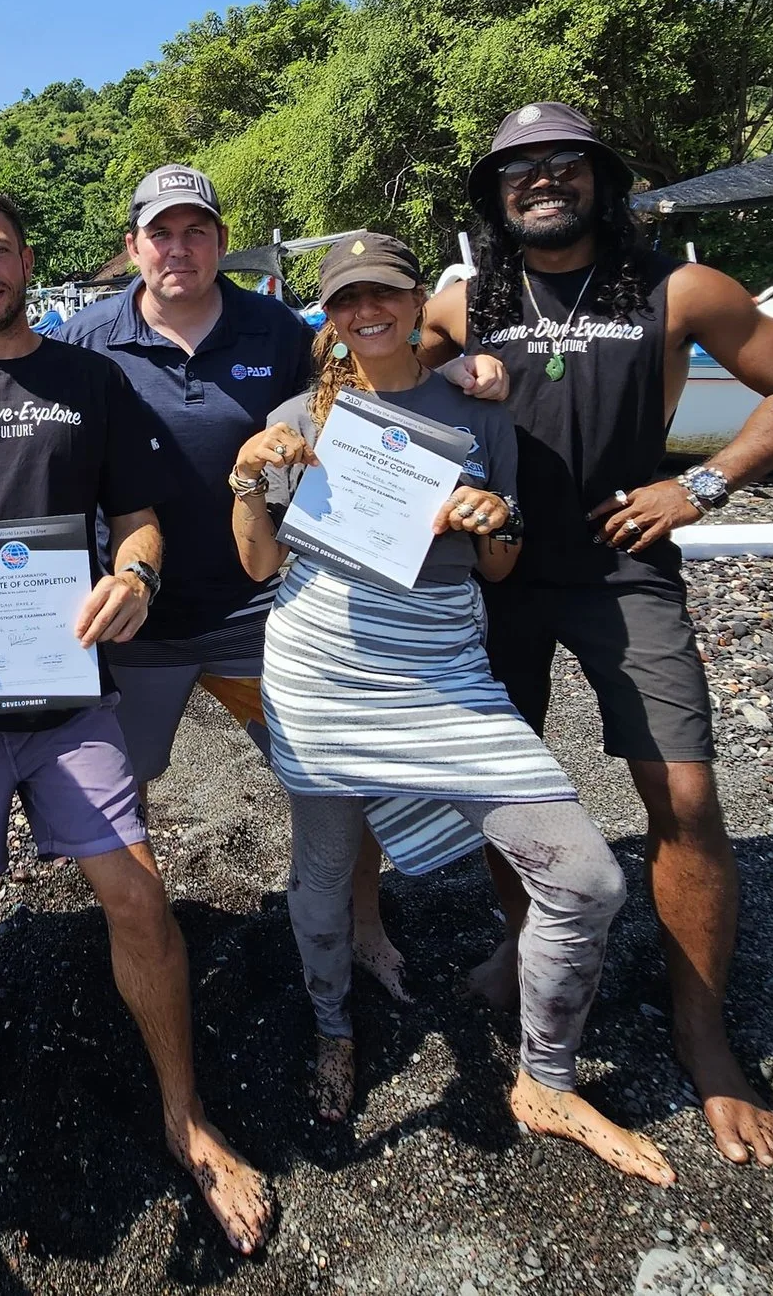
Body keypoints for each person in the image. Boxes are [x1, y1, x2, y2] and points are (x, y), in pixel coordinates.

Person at [0, 163, 509, 999]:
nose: (177, 248)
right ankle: (135, 929)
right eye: (160, 232)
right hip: (124, 621)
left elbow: (369, 361)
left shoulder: (277, 332)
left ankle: (364, 922)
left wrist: (461, 366)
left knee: (330, 774)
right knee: (120, 795)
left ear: (222, 242)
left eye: (196, 231)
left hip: (261, 602)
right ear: (134, 246)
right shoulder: (83, 339)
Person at [0, 184, 275, 1256]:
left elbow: (140, 516)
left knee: (133, 889)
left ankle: (186, 1116)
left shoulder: (90, 376)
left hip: (65, 684)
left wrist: (133, 572)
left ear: (29, 262)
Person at [417, 101, 773, 1170]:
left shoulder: (675, 287)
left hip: (622, 569)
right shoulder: (466, 298)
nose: (542, 181)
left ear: (602, 179)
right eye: (518, 169)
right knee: (508, 786)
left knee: (685, 798)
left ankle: (703, 1034)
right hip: (499, 572)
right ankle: (525, 947)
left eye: (564, 164)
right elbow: (373, 370)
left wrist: (699, 484)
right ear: (493, 194)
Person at [227, 232, 668, 1181]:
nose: (364, 311)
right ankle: (334, 1027)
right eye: (345, 299)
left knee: (588, 877)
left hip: (442, 673)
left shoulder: (477, 412)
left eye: (382, 290)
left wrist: (491, 515)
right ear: (330, 318)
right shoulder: (299, 412)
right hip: (321, 673)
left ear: (414, 294)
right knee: (322, 872)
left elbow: (502, 561)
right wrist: (249, 476)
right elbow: (259, 562)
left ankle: (545, 1077)